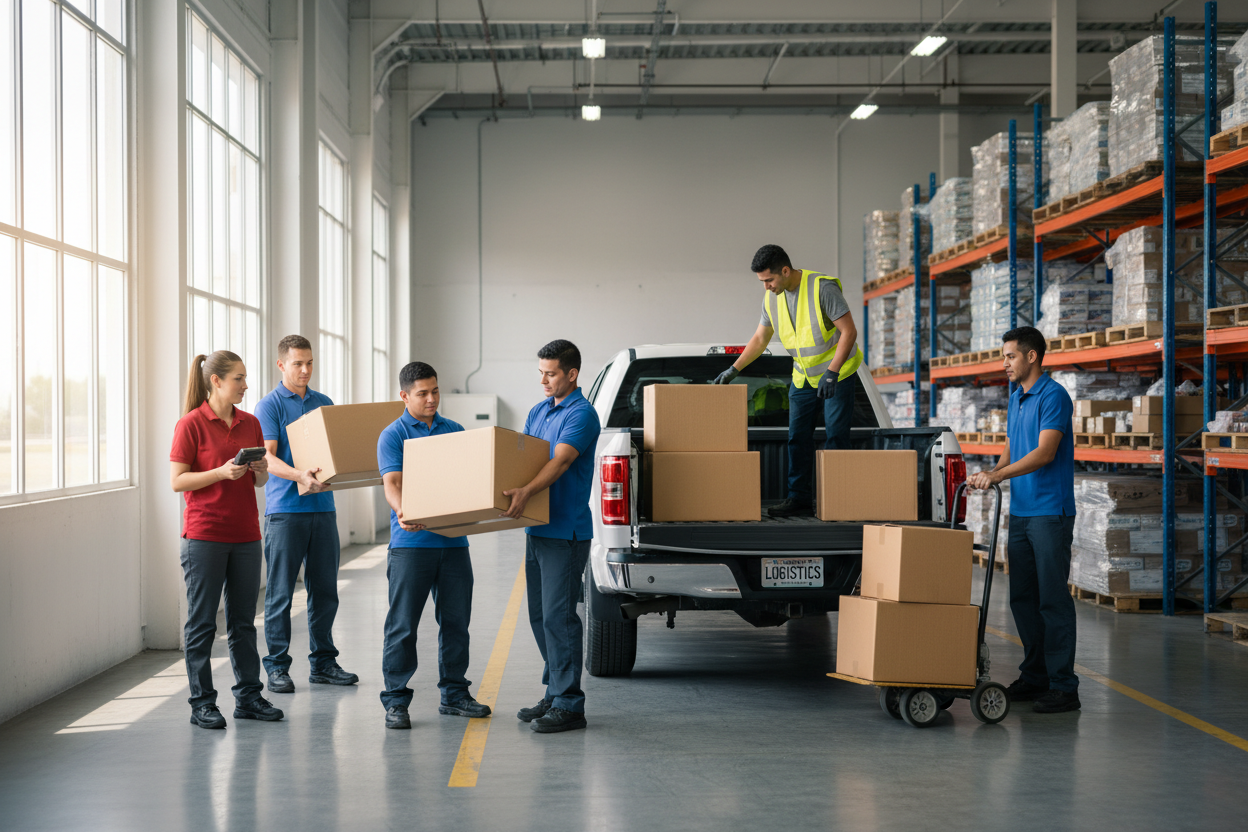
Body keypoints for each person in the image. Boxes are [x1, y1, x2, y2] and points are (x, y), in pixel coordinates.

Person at [967, 326, 1080, 714]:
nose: (1005, 363)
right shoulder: (1016, 397)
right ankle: (1036, 677)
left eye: (1010, 356)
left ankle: (1064, 687)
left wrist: (999, 475)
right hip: (1021, 512)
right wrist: (990, 472)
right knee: (1023, 599)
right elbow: (1013, 446)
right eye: (1004, 356)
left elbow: (1045, 453)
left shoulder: (1054, 396)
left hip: (1049, 513)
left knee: (1052, 600)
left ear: (1032, 356)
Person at [170, 350, 285, 729]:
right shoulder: (190, 424)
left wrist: (260, 469)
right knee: (203, 623)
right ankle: (202, 703)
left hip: (246, 535)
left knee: (243, 622)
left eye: (245, 377)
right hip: (204, 537)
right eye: (239, 378)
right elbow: (178, 481)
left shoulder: (251, 423)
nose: (245, 385)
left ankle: (249, 697)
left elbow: (260, 482)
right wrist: (220, 472)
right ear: (216, 381)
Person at [376, 361, 491, 730]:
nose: (431, 399)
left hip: (454, 543)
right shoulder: (393, 435)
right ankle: (396, 700)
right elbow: (392, 484)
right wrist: (402, 511)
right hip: (411, 544)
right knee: (403, 625)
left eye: (435, 391)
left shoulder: (454, 431)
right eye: (423, 393)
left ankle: (454, 694)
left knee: (456, 623)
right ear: (404, 396)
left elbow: (469, 480)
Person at [713, 244, 864, 518]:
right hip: (803, 378)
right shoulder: (771, 299)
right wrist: (733, 369)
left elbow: (849, 332)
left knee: (835, 437)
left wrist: (832, 372)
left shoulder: (822, 288)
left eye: (769, 280)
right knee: (797, 438)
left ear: (785, 271)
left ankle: (838, 500)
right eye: (762, 281)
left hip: (837, 375)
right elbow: (761, 338)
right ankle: (799, 499)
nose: (766, 287)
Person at [503, 339, 602, 734]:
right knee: (540, 616)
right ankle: (555, 691)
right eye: (541, 373)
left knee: (559, 618)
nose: (543, 380)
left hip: (566, 531)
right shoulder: (538, 411)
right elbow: (523, 459)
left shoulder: (582, 414)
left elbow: (559, 462)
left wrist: (526, 491)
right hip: (538, 529)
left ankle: (569, 704)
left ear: (572, 374)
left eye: (551, 374)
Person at [253, 335, 358, 694]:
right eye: (297, 363)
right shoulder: (269, 406)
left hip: (323, 509)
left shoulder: (323, 403)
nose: (305, 370)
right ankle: (277, 667)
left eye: (309, 362)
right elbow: (266, 457)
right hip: (285, 512)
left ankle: (324, 664)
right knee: (280, 594)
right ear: (281, 365)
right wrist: (300, 476)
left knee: (325, 591)